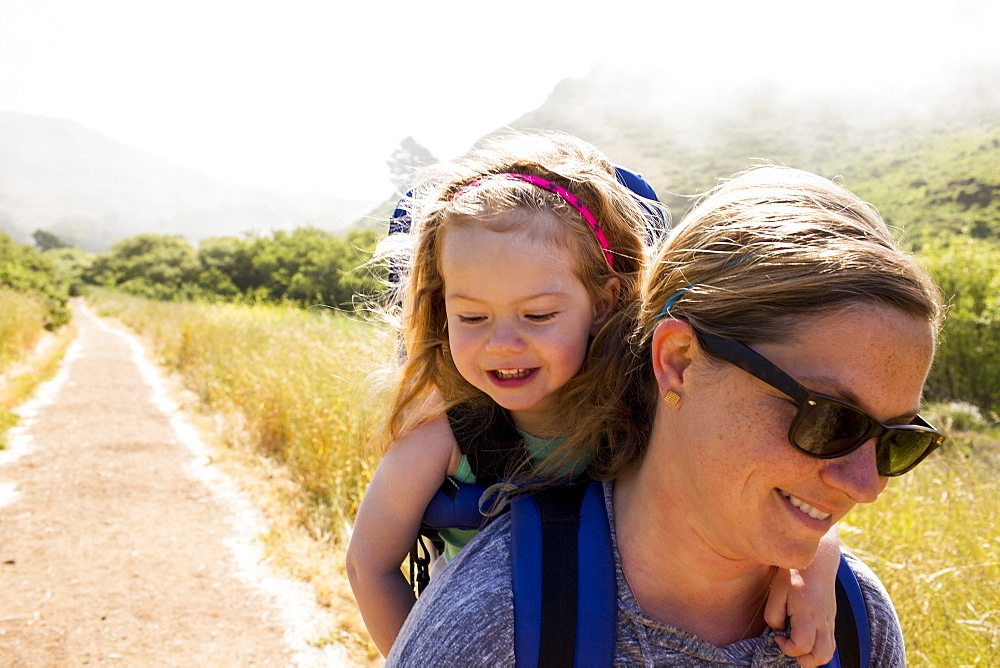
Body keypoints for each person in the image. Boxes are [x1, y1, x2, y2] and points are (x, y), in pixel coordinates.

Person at [384, 165, 946, 666]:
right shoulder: (496, 621)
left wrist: (820, 553)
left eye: (897, 441)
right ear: (676, 362)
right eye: (830, 420)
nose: (867, 486)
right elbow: (371, 563)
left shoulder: (857, 622)